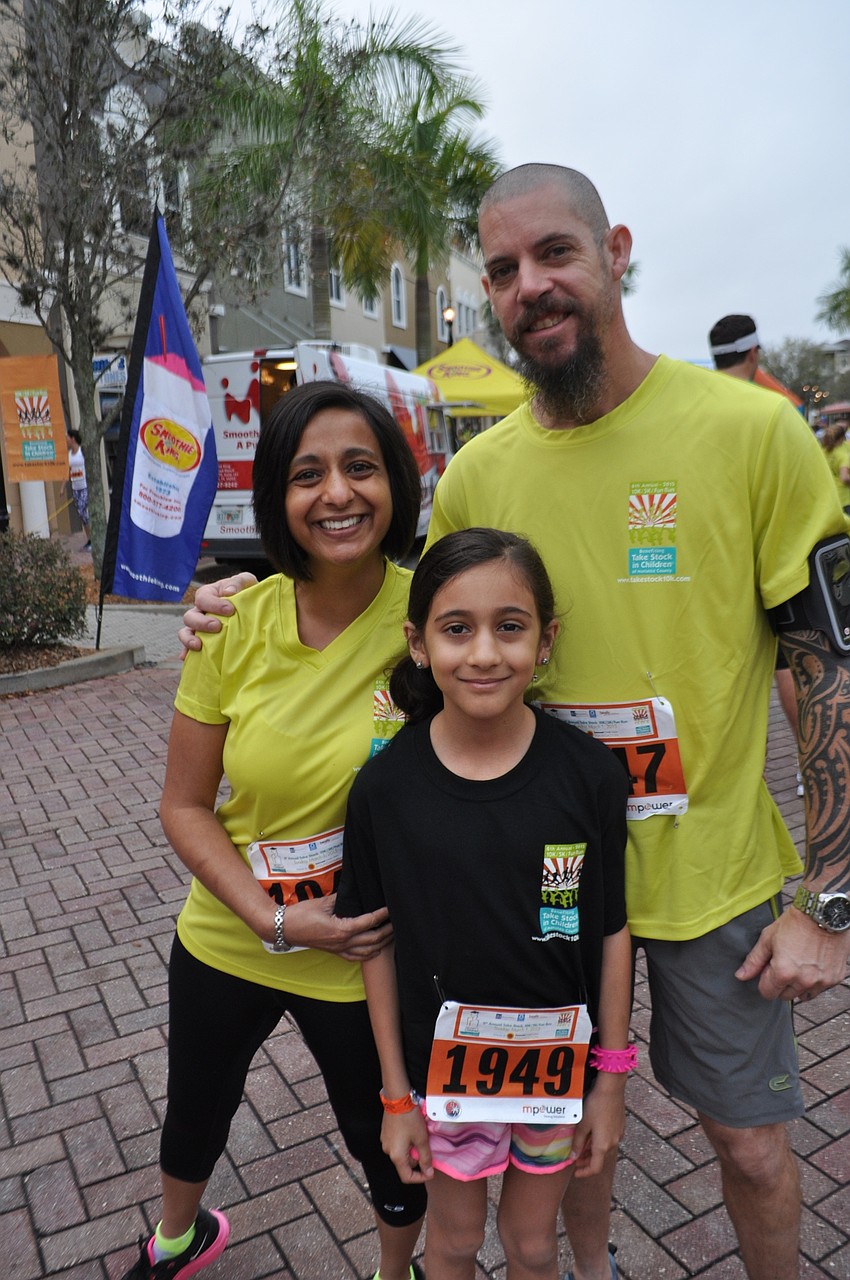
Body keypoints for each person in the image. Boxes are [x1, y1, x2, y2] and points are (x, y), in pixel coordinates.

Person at [182, 165, 850, 1280]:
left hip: (706, 880)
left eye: (554, 254)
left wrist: (830, 898)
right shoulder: (480, 472)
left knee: (749, 1143)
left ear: (616, 249)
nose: (528, 286)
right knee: (573, 1153)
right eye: (501, 270)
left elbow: (824, 664)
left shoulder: (753, 431)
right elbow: (412, 615)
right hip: (528, 877)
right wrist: (238, 600)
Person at [119, 381, 426, 1280]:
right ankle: (178, 1239)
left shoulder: (430, 618)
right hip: (230, 933)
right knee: (194, 1113)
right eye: (308, 474)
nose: (336, 493)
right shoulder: (232, 622)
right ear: (279, 500)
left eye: (360, 467)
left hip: (362, 953)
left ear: (396, 483)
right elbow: (183, 805)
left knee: (382, 1140)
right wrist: (273, 920)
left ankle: (394, 1268)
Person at [336, 528, 632, 1280]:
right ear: (417, 642)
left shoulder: (588, 776)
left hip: (555, 1077)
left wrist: (611, 1080)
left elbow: (609, 933)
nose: (484, 654)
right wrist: (396, 1098)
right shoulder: (384, 791)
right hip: (443, 1085)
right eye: (456, 629)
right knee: (456, 1245)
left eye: (510, 626)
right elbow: (374, 946)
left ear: (546, 638)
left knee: (534, 1246)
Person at [708, 313, 803, 794]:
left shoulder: (696, 408)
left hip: (709, 568)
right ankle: (807, 763)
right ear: (753, 354)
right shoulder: (770, 410)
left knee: (720, 679)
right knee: (788, 663)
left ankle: (739, 782)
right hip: (768, 560)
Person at [66, 429, 91, 549]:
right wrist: (62, 488)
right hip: (75, 487)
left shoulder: (83, 452)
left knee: (82, 511)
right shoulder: (69, 454)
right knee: (81, 515)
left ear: (73, 439)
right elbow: (68, 471)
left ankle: (93, 538)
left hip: (85, 486)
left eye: (67, 437)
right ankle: (89, 539)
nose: (66, 440)